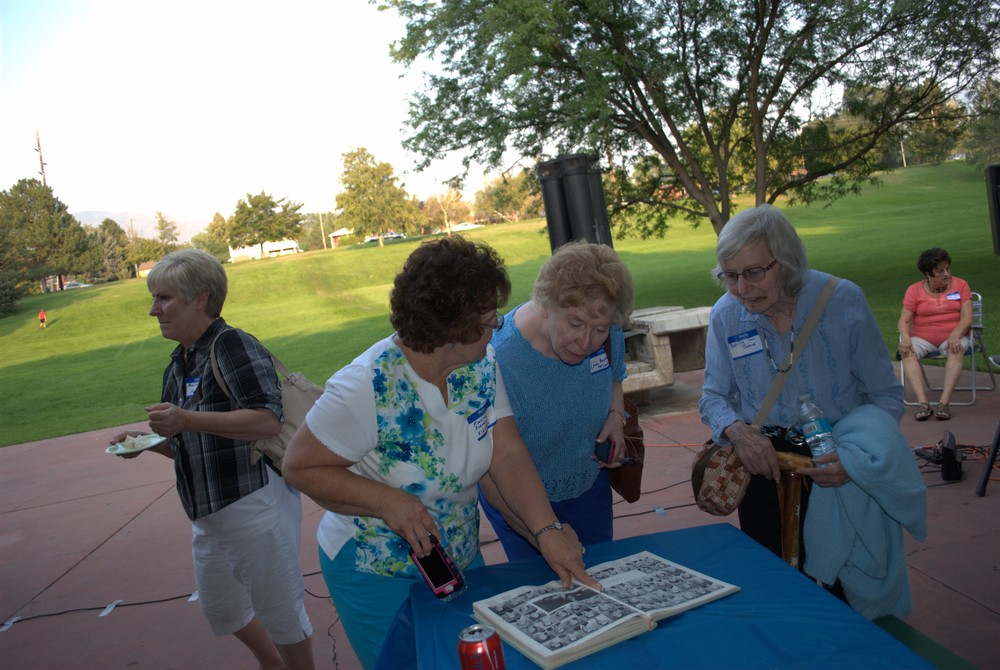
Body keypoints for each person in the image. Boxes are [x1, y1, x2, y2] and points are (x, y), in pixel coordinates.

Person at [281, 237, 597, 670]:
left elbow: (507, 454)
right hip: (373, 567)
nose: (498, 326)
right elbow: (299, 466)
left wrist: (548, 530)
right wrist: (385, 500)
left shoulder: (481, 364)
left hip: (455, 555)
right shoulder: (365, 385)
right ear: (452, 330)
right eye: (488, 319)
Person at [700, 205, 924, 618]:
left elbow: (885, 396)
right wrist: (738, 431)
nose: (742, 289)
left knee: (850, 596)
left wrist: (856, 462)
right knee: (778, 593)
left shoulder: (842, 300)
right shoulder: (725, 315)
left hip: (837, 466)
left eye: (754, 272)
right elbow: (713, 396)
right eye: (730, 275)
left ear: (785, 261)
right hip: (766, 468)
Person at [109, 248, 315, 670]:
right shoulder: (180, 362)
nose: (153, 310)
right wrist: (145, 443)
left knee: (281, 612)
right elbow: (186, 442)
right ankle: (272, 664)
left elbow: (266, 420)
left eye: (164, 298)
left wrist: (185, 419)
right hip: (208, 513)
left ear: (200, 298)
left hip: (252, 503)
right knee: (223, 609)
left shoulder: (231, 344)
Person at [478, 240, 635, 560]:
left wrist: (616, 416)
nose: (586, 341)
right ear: (545, 305)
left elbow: (615, 376)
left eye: (599, 329)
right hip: (519, 498)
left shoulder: (610, 332)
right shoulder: (500, 358)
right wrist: (541, 531)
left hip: (588, 485)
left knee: (600, 571)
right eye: (575, 324)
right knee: (545, 583)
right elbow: (491, 465)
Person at [897, 248, 972, 421]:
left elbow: (967, 318)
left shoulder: (961, 285)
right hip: (922, 337)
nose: (946, 274)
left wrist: (955, 334)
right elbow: (904, 320)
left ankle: (944, 402)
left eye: (947, 268)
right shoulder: (914, 290)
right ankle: (923, 403)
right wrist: (905, 338)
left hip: (952, 336)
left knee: (956, 348)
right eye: (940, 271)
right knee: (907, 351)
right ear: (927, 274)